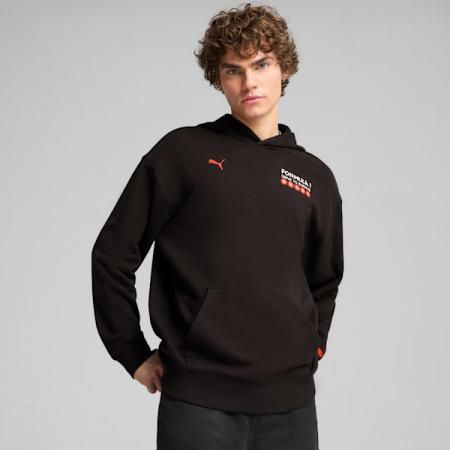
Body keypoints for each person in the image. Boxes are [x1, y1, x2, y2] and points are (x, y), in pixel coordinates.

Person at [91, 3, 344, 449]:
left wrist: (313, 347)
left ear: (283, 68)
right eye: (233, 70)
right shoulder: (182, 153)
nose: (249, 83)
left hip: (292, 406)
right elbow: (113, 254)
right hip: (198, 403)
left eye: (261, 64)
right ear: (219, 79)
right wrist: (131, 352)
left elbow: (324, 281)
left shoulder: (316, 178)